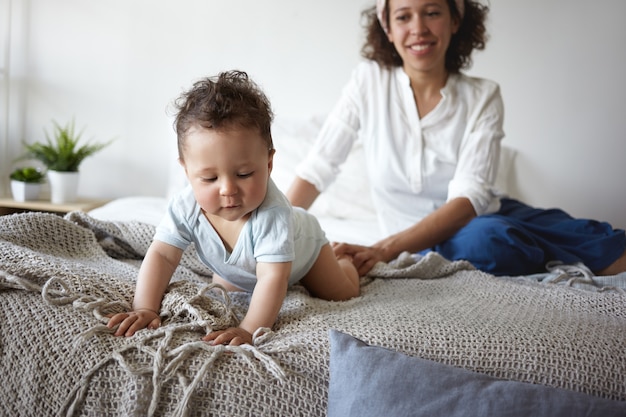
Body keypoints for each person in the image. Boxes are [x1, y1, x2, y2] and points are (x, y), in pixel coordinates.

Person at [287, 0, 626, 277]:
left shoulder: (483, 95)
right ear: (388, 28)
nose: (419, 28)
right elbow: (319, 167)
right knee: (492, 242)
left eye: (432, 12)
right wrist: (273, 229)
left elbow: (470, 199)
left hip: (487, 213)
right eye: (404, 16)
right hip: (455, 234)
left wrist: (383, 250)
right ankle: (549, 251)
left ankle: (552, 248)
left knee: (606, 240)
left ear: (455, 20)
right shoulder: (368, 83)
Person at [107, 70, 359, 346]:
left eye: (244, 174)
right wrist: (145, 307)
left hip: (305, 252)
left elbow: (274, 277)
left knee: (342, 292)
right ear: (187, 171)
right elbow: (163, 256)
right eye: (210, 178)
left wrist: (248, 329)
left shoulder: (273, 214)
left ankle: (344, 261)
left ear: (268, 164)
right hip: (241, 269)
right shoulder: (184, 206)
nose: (227, 189)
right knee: (230, 286)